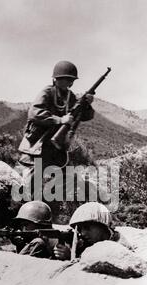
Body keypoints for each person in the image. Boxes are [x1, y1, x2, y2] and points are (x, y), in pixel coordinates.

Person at [17, 61, 94, 198]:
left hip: (56, 146)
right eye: (67, 79)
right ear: (56, 79)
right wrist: (59, 120)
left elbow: (85, 116)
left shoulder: (70, 97)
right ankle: (24, 206)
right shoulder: (46, 92)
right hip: (38, 144)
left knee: (65, 177)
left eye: (71, 80)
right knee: (33, 178)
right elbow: (34, 114)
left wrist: (87, 104)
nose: (70, 83)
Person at [68, 202, 133, 256]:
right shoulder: (89, 242)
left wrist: (72, 256)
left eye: (87, 227)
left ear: (103, 225)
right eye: (79, 229)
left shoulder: (121, 248)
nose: (83, 233)